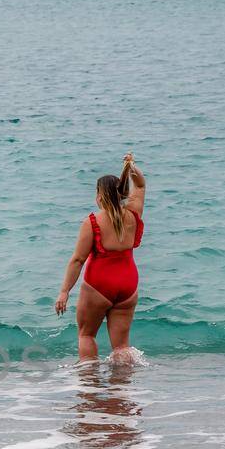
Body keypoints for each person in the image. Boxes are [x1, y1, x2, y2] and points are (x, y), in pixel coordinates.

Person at [55, 153, 147, 361]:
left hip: (99, 285)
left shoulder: (92, 222)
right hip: (128, 284)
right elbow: (140, 185)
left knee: (86, 335)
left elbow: (78, 260)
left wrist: (64, 292)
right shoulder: (133, 214)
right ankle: (121, 389)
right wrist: (131, 166)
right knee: (122, 346)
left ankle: (91, 386)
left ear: (100, 196)